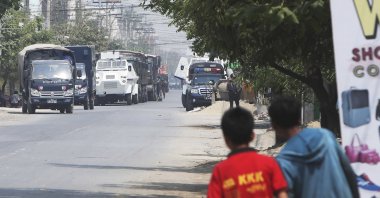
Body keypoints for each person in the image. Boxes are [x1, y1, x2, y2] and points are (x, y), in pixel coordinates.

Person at [268, 96, 359, 198]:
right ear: (298, 119)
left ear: (274, 125)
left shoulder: (283, 161)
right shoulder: (326, 137)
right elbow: (349, 173)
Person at [207, 107, 288, 198]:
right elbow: (282, 194)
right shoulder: (270, 164)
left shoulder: (220, 170)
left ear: (226, 140)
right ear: (252, 136)